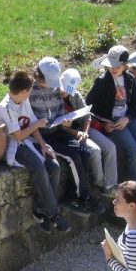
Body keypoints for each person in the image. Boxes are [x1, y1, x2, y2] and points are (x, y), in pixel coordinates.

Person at [0, 70, 70, 233]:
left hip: (28, 141)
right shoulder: (5, 107)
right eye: (30, 90)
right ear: (23, 92)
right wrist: (37, 126)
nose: (31, 92)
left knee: (54, 166)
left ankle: (40, 209)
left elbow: (33, 123)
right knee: (39, 167)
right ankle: (54, 213)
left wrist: (43, 145)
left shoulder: (24, 100)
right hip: (14, 146)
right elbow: (19, 135)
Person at [31, 57, 102, 212]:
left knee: (84, 152)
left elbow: (60, 110)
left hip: (57, 129)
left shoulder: (56, 87)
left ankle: (77, 192)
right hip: (42, 135)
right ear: (39, 76)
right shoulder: (30, 90)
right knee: (72, 156)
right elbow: (28, 119)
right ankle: (82, 197)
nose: (52, 85)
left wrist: (66, 121)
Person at [86, 45, 136, 191]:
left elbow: (134, 105)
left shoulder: (130, 79)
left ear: (125, 66)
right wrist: (104, 122)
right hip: (112, 122)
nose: (113, 68)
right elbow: (89, 106)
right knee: (135, 153)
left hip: (127, 119)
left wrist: (128, 118)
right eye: (110, 65)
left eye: (117, 66)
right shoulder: (102, 81)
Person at [62, 68, 118, 194]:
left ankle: (111, 184)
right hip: (70, 133)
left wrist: (85, 132)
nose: (66, 93)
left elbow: (87, 116)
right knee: (95, 151)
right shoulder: (54, 98)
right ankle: (100, 184)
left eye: (68, 90)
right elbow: (59, 127)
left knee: (110, 147)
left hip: (83, 130)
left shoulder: (75, 95)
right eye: (64, 90)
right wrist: (77, 133)